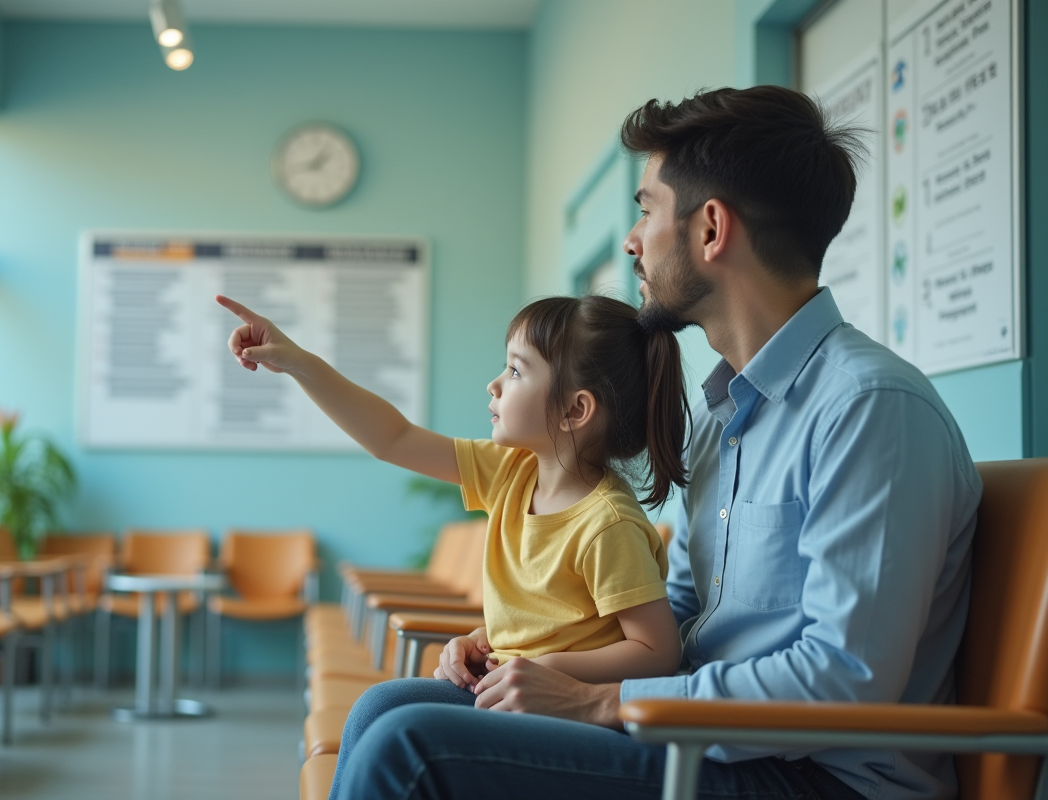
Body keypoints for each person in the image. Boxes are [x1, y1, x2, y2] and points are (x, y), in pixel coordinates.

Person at [327, 86, 982, 800]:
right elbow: (674, 616)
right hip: (697, 737)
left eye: (645, 209)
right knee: (388, 707)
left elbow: (843, 679)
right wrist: (528, 659)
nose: (633, 241)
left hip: (814, 777)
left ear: (709, 230)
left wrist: (600, 704)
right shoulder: (726, 413)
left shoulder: (867, 410)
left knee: (411, 746)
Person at [214, 293, 694, 788]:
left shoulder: (608, 524)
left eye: (515, 371)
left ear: (575, 410)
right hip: (509, 689)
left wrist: (547, 667)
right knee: (379, 704)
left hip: (565, 711)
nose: (494, 383)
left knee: (400, 731)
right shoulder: (512, 472)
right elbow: (392, 438)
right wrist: (298, 362)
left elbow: (658, 651)